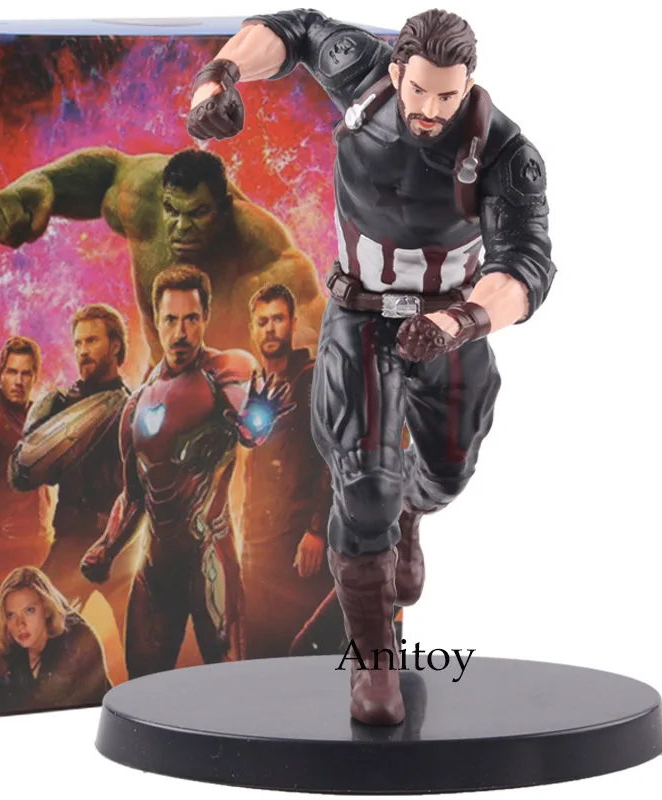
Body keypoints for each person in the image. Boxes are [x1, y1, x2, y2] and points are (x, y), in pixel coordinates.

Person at [189, 8, 555, 724]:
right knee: (362, 484)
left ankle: (412, 511)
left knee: (447, 472)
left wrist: (460, 323)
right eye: (419, 90)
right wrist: (219, 74)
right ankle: (374, 664)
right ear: (396, 70)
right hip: (361, 314)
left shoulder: (506, 152)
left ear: (469, 85)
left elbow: (527, 267)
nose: (430, 110)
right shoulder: (360, 73)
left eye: (447, 96)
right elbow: (294, 27)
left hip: (450, 322)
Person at [80, 265, 294, 677]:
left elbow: (249, 420)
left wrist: (254, 421)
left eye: (191, 319)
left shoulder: (226, 370)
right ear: (156, 321)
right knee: (142, 685)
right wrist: (107, 546)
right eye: (171, 319)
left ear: (205, 318)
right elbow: (134, 496)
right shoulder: (136, 406)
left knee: (227, 678)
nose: (181, 332)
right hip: (157, 564)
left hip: (209, 555)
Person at [0, 148, 325, 362]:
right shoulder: (143, 197)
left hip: (232, 397)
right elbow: (107, 174)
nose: (182, 227)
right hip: (159, 381)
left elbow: (313, 342)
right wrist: (47, 182)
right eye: (172, 211)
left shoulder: (265, 255)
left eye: (198, 213)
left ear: (224, 210)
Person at [10, 304, 135, 642]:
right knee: (36, 636)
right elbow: (22, 474)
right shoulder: (61, 405)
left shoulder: (135, 407)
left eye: (91, 341)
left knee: (141, 647)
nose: (82, 351)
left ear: (115, 345)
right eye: (78, 343)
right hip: (72, 544)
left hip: (121, 547)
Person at [241, 283, 340, 658]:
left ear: (293, 323)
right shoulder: (255, 388)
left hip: (302, 544)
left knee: (303, 655)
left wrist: (316, 529)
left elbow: (334, 454)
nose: (270, 328)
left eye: (278, 319)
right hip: (259, 551)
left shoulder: (314, 379)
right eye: (262, 321)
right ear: (253, 329)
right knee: (258, 657)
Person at [0, 336, 51, 612]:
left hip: (35, 545)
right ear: (1, 374)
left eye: (25, 373)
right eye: (12, 372)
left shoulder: (37, 416)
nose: (18, 381)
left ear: (34, 377)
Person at [0, 566, 109, 713]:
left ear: (46, 609)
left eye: (30, 610)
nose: (20, 624)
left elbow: (39, 706)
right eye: (11, 615)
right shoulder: (12, 632)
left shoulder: (76, 644)